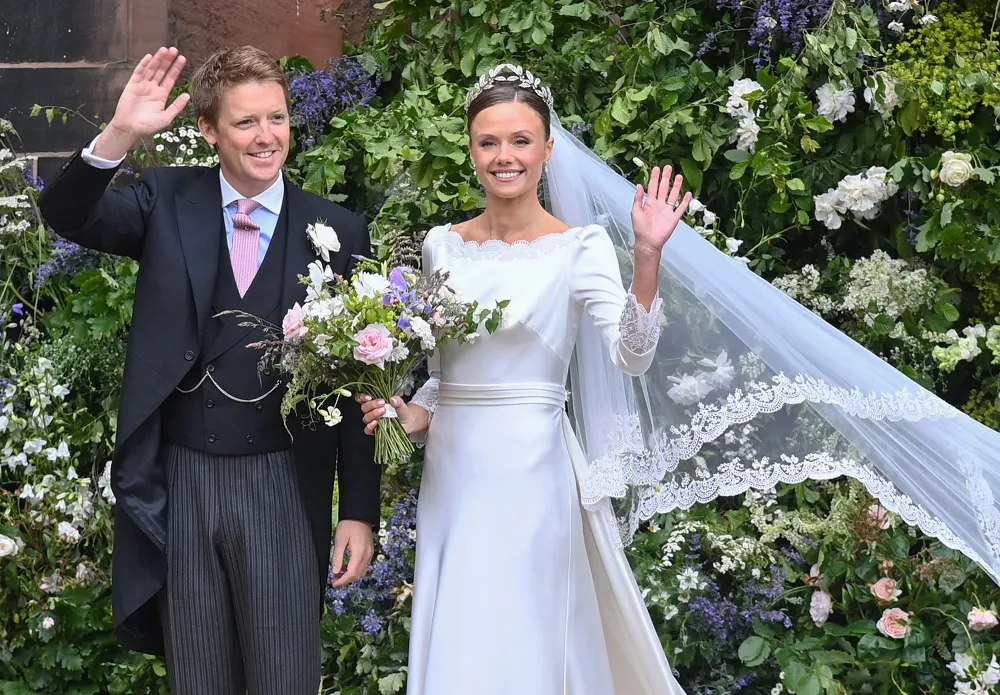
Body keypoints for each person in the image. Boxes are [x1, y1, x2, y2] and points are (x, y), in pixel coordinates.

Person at [38, 46, 380, 694]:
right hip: (185, 479)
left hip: (282, 479)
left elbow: (358, 380)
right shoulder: (167, 201)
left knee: (285, 678)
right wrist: (121, 134)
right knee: (198, 678)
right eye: (246, 122)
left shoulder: (336, 229)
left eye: (276, 118)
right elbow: (67, 213)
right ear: (208, 129)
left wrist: (358, 511)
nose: (266, 137)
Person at [360, 64, 690, 694]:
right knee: (460, 621)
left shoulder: (580, 246)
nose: (504, 156)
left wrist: (646, 257)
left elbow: (633, 356)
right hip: (453, 474)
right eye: (489, 141)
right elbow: (442, 376)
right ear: (471, 148)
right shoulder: (439, 246)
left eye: (520, 140)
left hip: (533, 471)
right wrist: (410, 414)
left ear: (547, 149)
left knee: (526, 627)